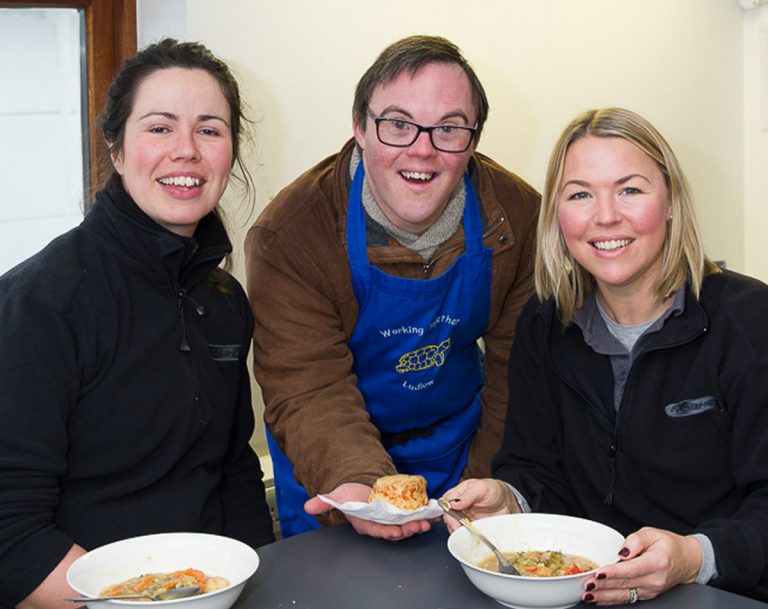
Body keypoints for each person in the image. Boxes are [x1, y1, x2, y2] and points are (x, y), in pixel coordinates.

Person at [442, 107, 768, 603]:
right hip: (586, 591)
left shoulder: (749, 322)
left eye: (630, 189)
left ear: (672, 201)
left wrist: (692, 556)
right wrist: (511, 498)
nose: (606, 215)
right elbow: (536, 468)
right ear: (558, 212)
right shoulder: (543, 324)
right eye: (579, 194)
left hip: (723, 592)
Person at [0, 39, 275, 609]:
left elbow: (233, 472)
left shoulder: (225, 301)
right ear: (116, 148)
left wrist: (259, 587)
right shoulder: (41, 302)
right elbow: (10, 530)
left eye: (209, 129)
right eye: (159, 128)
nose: (186, 151)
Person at [245, 35, 539, 540]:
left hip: (460, 449)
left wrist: (487, 482)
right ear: (360, 127)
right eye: (398, 124)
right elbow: (307, 384)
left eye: (448, 128)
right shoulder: (292, 235)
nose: (422, 150)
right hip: (333, 460)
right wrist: (360, 486)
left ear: (473, 139)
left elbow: (519, 372)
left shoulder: (517, 217)